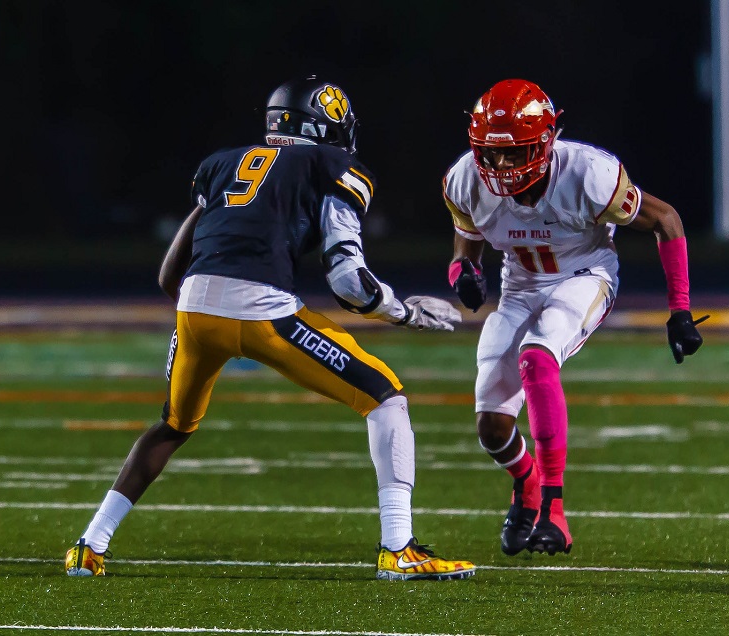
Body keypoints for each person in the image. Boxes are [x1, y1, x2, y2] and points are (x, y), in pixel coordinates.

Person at [65, 76, 475, 581]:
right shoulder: (332, 166)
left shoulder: (223, 163)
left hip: (194, 308)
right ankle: (399, 548)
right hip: (263, 311)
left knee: (172, 425)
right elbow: (348, 281)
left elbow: (169, 274)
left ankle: (89, 545)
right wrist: (404, 313)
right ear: (326, 128)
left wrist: (203, 314)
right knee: (385, 397)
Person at [442, 78, 707, 556]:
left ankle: (553, 510)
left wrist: (680, 309)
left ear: (545, 143)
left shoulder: (587, 173)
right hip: (520, 284)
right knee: (492, 427)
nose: (500, 167)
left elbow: (666, 218)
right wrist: (463, 268)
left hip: (584, 274)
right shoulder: (465, 179)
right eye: (491, 154)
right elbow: (469, 232)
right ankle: (526, 484)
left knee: (538, 357)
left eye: (514, 153)